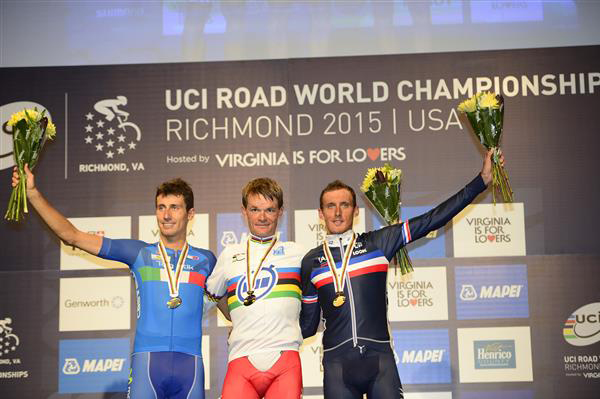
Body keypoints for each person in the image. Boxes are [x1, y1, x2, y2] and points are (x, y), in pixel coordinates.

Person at [300, 149, 500, 399]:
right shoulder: (311, 261)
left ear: (356, 211)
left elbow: (432, 219)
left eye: (345, 205)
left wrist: (480, 182)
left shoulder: (379, 243)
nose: (337, 212)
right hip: (337, 366)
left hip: (380, 361)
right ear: (320, 214)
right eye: (330, 206)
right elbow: (306, 327)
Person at [11, 165, 216, 399]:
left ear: (190, 214)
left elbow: (231, 307)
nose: (166, 215)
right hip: (147, 363)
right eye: (161, 207)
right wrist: (33, 193)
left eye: (174, 207)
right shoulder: (139, 253)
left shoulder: (206, 260)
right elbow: (72, 235)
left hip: (190, 365)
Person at [206, 178, 305, 399]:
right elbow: (211, 296)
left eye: (269, 210)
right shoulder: (229, 254)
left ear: (280, 212)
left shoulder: (297, 254)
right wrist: (236, 315)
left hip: (284, 358)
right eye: (255, 209)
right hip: (241, 358)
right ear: (244, 212)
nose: (262, 217)